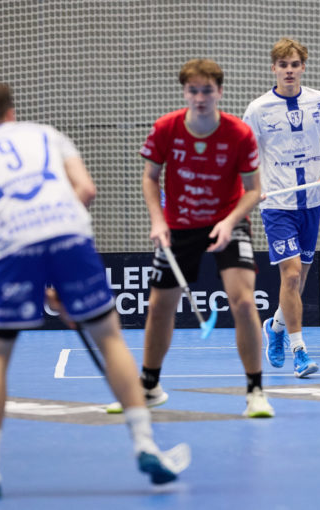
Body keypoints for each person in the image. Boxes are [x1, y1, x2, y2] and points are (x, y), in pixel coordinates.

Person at [0, 83, 189, 498]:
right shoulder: (45, 134)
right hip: (69, 235)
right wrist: (61, 260)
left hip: (15, 248)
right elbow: (87, 190)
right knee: (109, 337)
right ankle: (145, 443)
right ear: (11, 113)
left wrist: (43, 288)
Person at [113, 58, 273, 418]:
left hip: (227, 222)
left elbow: (253, 190)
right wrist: (158, 220)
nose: (200, 98)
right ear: (185, 92)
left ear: (219, 92)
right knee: (159, 306)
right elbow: (150, 177)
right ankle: (149, 386)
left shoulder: (239, 134)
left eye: (207, 90)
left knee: (244, 302)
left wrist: (231, 222)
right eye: (193, 90)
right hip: (179, 226)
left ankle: (256, 392)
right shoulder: (166, 128)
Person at [242, 37, 320, 377]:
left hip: (311, 201)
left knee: (298, 284)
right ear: (274, 68)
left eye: (295, 64)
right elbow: (247, 154)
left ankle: (275, 327)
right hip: (277, 205)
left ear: (303, 67)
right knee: (292, 274)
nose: (289, 70)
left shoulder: (319, 101)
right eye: (283, 65)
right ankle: (300, 352)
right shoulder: (258, 109)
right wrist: (253, 189)